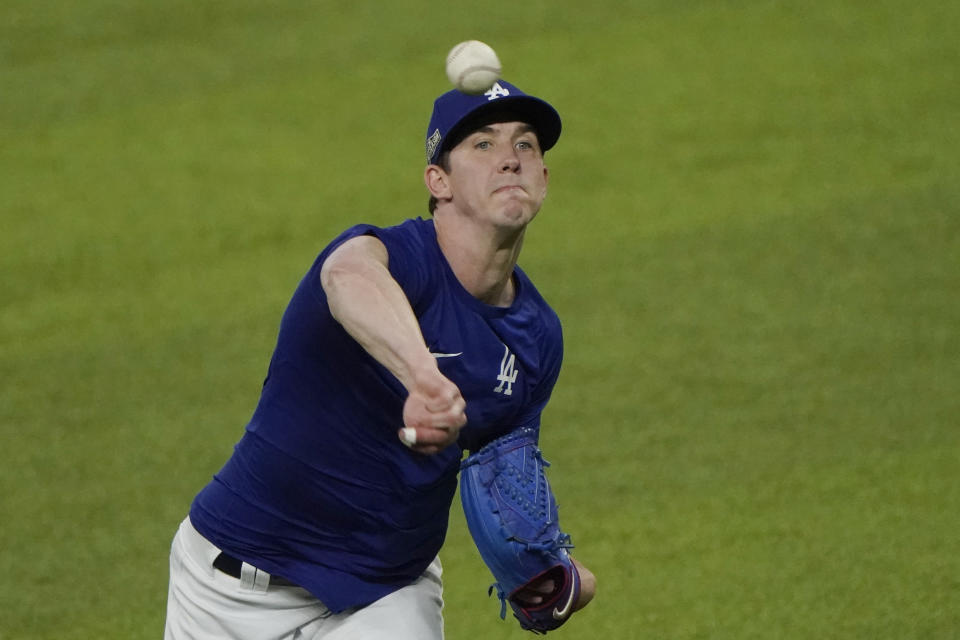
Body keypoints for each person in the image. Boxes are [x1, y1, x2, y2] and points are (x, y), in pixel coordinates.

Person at [164, 78, 596, 639]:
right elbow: (347, 277)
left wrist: (555, 576)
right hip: (228, 588)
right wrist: (423, 376)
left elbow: (505, 485)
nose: (510, 161)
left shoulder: (535, 337)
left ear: (544, 178)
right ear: (437, 181)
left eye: (525, 146)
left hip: (386, 595)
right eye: (483, 145)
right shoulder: (388, 257)